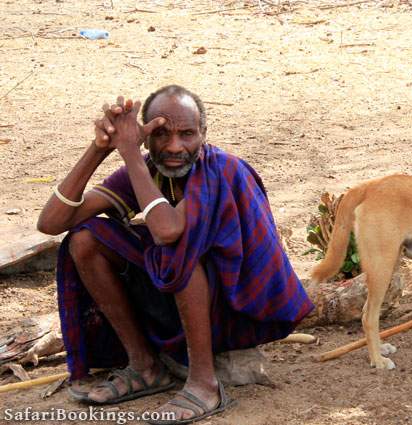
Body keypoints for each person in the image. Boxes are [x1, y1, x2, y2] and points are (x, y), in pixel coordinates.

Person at [37, 85, 314, 422]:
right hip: (181, 300)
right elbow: (52, 222)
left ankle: (204, 384)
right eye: (161, 134)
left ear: (203, 134)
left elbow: (167, 231)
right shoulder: (146, 168)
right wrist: (100, 148)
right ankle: (145, 366)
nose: (174, 146)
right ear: (145, 135)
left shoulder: (221, 170)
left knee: (178, 253)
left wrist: (129, 154)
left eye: (187, 134)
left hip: (237, 307)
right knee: (85, 239)